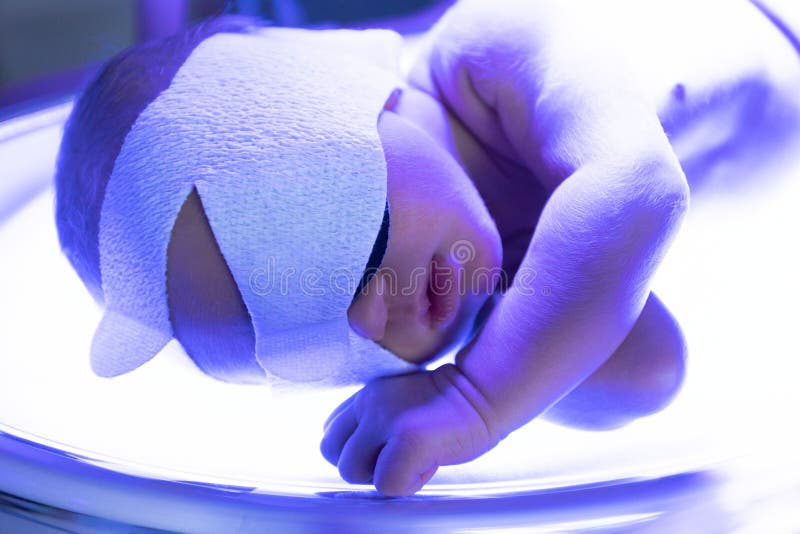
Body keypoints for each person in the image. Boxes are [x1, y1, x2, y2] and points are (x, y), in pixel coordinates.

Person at [55, 0, 800, 497]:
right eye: (319, 342)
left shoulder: (490, 52)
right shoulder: (496, 289)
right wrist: (491, 369)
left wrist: (475, 401)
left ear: (330, 85)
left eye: (345, 237)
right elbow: (650, 370)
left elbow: (637, 186)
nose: (376, 313)